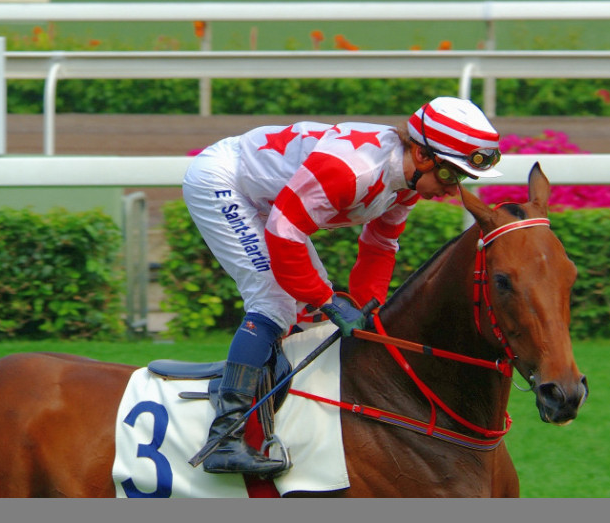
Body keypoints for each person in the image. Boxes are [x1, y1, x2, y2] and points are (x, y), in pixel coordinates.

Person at [182, 96, 502, 477]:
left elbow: (380, 244)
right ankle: (224, 437)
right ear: (420, 154)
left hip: (269, 199)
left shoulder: (407, 185)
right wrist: (328, 300)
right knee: (274, 303)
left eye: (461, 178)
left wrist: (369, 310)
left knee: (307, 316)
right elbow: (284, 232)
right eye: (449, 174)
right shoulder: (355, 171)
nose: (452, 190)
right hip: (224, 181)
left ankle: (279, 423)